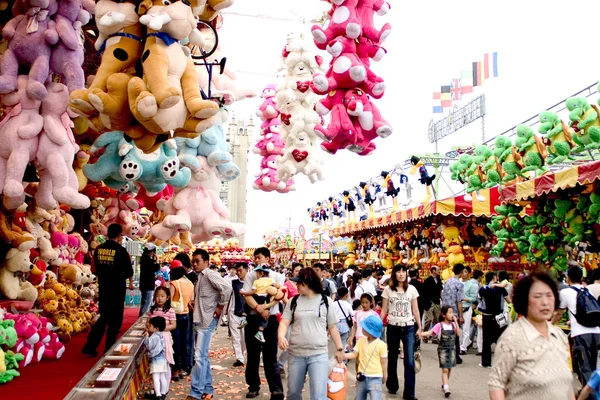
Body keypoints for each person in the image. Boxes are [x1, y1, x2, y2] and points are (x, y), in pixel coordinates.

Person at [489, 272, 575, 400]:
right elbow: (496, 384)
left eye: (549, 295)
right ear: (524, 300)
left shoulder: (558, 335)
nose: (545, 302)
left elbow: (566, 384)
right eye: (538, 296)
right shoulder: (512, 338)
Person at [278, 268, 345, 400]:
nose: (296, 285)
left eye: (299, 282)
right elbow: (284, 322)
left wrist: (339, 349)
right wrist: (281, 336)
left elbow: (332, 327)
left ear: (307, 283)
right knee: (293, 393)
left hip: (318, 354)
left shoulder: (325, 301)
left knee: (318, 395)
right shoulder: (294, 301)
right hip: (296, 354)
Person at [187, 249, 232, 400]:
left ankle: (196, 392)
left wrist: (220, 306)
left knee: (199, 356)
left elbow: (226, 288)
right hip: (201, 319)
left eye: (197, 261)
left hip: (207, 320)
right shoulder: (199, 277)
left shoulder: (210, 274)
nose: (194, 264)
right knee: (202, 356)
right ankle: (207, 389)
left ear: (206, 262)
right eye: (193, 261)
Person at [82, 224, 133, 356]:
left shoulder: (98, 249)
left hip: (104, 288)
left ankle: (90, 346)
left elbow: (94, 269)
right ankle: (109, 349)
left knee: (103, 318)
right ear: (119, 235)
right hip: (117, 289)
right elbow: (129, 272)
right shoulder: (122, 251)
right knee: (115, 321)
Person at [242, 247, 285, 399]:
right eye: (254, 258)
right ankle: (253, 387)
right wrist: (259, 309)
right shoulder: (250, 276)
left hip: (271, 319)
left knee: (270, 356)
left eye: (259, 257)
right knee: (253, 355)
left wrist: (266, 309)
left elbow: (278, 295)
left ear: (267, 258)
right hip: (253, 319)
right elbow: (247, 295)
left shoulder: (278, 276)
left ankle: (276, 390)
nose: (256, 260)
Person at [381, 264, 421, 399]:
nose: (401, 274)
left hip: (409, 327)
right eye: (398, 271)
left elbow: (415, 310)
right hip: (392, 326)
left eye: (404, 271)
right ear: (394, 274)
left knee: (409, 360)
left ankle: (410, 393)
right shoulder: (387, 290)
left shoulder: (412, 289)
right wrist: (378, 325)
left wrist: (420, 328)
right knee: (392, 357)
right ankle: (392, 385)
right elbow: (384, 310)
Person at [556, 266, 600, 385]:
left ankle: (589, 396)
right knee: (593, 367)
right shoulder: (587, 290)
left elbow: (559, 313)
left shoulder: (565, 292)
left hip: (581, 335)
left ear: (568, 277)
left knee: (584, 368)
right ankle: (593, 393)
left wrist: (549, 324)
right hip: (596, 333)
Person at [420, 305, 461, 398]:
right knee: (445, 369)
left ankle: (444, 384)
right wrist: (420, 334)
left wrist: (456, 322)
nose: (452, 314)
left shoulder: (453, 325)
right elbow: (430, 332)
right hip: (443, 349)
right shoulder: (440, 325)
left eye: (452, 312)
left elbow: (458, 333)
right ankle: (446, 388)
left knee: (449, 368)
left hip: (452, 349)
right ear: (443, 314)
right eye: (449, 312)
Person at [344, 315, 388, 400]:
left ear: (370, 331)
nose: (362, 329)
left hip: (376, 377)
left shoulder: (382, 345)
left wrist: (385, 375)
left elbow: (384, 362)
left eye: (364, 328)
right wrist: (344, 356)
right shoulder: (361, 341)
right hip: (362, 378)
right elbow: (354, 354)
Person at [240, 265, 284, 343]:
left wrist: (245, 293)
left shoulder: (256, 281)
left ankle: (243, 318)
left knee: (246, 305)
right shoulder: (271, 280)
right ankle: (260, 331)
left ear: (261, 273)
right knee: (265, 317)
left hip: (256, 297)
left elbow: (252, 292)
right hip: (265, 299)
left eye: (257, 273)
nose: (256, 275)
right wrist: (282, 288)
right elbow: (276, 286)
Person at [478, 271, 511, 368]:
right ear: (493, 277)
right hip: (498, 317)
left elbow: (479, 299)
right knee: (500, 338)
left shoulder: (483, 289)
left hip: (487, 316)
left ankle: (486, 362)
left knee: (486, 340)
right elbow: (509, 300)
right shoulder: (501, 289)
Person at [169, 260, 195, 381]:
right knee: (185, 343)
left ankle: (175, 370)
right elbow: (192, 300)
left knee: (176, 343)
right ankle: (182, 368)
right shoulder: (190, 283)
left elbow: (169, 303)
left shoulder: (174, 283)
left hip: (176, 316)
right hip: (187, 315)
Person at [147, 287, 176, 384]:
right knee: (155, 363)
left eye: (162, 296)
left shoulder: (170, 310)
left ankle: (165, 389)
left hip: (165, 338)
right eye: (157, 296)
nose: (159, 298)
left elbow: (173, 325)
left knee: (166, 362)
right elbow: (148, 323)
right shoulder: (152, 310)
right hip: (154, 339)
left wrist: (160, 329)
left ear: (167, 297)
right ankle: (157, 389)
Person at [442, 263, 467, 364]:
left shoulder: (447, 281)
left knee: (446, 334)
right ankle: (455, 356)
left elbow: (443, 295)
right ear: (461, 272)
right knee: (455, 335)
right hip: (454, 313)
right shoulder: (459, 284)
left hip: (445, 310)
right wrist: (461, 316)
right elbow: (459, 301)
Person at [145, 316, 170, 400]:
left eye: (150, 326)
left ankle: (158, 395)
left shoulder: (154, 337)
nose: (149, 326)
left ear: (156, 328)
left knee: (155, 377)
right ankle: (163, 393)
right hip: (162, 359)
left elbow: (149, 346)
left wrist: (146, 337)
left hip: (156, 360)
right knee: (162, 377)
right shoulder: (161, 335)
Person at [229, 263, 248, 367]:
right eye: (237, 271)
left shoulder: (252, 283)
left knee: (244, 338)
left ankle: (243, 352)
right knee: (235, 338)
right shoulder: (233, 283)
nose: (238, 273)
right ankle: (239, 358)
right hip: (234, 312)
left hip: (247, 315)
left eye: (240, 270)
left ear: (246, 270)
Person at [460, 269, 483, 354]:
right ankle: (461, 344)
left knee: (466, 328)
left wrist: (464, 299)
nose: (463, 274)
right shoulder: (458, 283)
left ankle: (463, 347)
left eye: (465, 272)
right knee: (459, 328)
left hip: (467, 308)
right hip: (457, 308)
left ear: (469, 274)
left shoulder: (472, 285)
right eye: (462, 272)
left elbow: (474, 298)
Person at [139, 244, 159, 317]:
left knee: (143, 303)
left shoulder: (143, 259)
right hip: (149, 285)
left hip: (143, 285)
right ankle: (142, 319)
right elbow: (156, 268)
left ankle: (139, 318)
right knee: (147, 305)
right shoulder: (148, 261)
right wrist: (157, 260)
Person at [423, 265, 443, 333]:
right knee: (429, 319)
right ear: (433, 271)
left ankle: (435, 336)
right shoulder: (427, 280)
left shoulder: (439, 280)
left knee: (437, 320)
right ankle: (425, 333)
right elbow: (424, 292)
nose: (439, 271)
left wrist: (442, 299)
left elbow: (440, 291)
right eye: (438, 270)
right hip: (429, 303)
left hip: (437, 302)